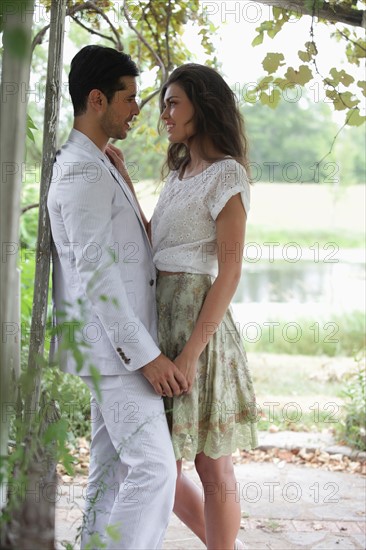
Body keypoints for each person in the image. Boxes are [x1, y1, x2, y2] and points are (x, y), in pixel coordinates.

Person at [47, 45, 187, 550]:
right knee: (154, 471)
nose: (137, 109)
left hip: (109, 349)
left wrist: (123, 175)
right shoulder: (82, 170)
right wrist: (145, 357)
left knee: (108, 474)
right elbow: (95, 272)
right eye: (129, 98)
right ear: (97, 99)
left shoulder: (96, 162)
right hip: (116, 354)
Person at [151, 63, 258, 550]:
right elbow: (153, 245)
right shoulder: (177, 174)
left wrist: (193, 351)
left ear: (203, 103)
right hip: (159, 325)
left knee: (210, 461)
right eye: (164, 104)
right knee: (156, 463)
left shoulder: (226, 174)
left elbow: (230, 270)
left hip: (200, 330)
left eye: (174, 102)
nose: (165, 113)